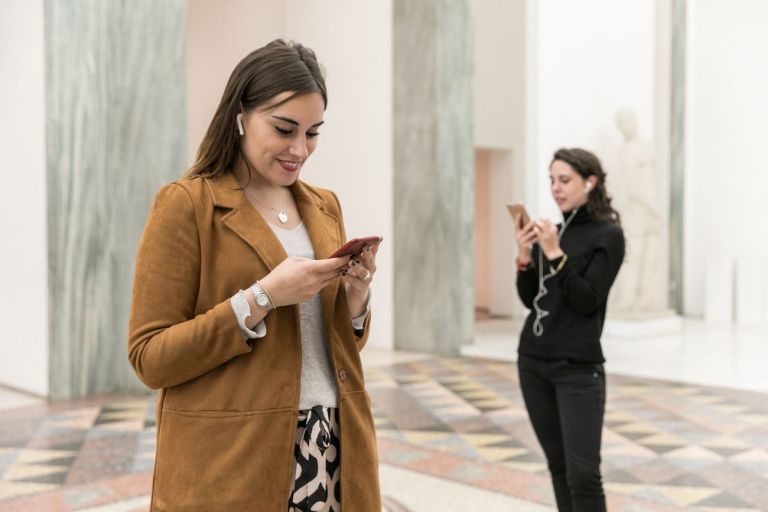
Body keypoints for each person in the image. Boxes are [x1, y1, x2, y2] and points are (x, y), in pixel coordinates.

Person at [128, 39, 381, 512]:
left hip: (333, 443)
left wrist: (355, 299)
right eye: (285, 129)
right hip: (233, 458)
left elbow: (340, 345)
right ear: (241, 114)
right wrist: (262, 297)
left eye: (313, 132)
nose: (300, 149)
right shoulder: (187, 205)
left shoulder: (325, 206)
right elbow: (150, 358)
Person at [514, 148, 625, 512]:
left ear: (589, 182)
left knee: (584, 474)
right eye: (551, 180)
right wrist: (526, 257)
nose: (555, 188)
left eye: (565, 180)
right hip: (532, 362)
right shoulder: (556, 232)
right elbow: (533, 300)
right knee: (558, 467)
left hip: (577, 369)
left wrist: (555, 253)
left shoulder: (608, 234)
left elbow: (587, 299)